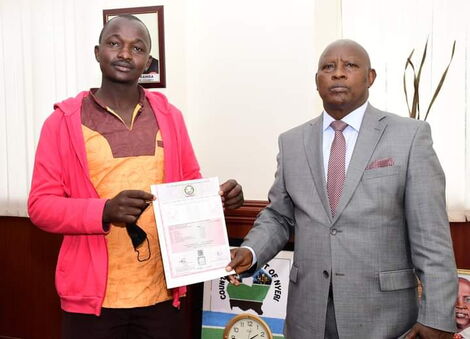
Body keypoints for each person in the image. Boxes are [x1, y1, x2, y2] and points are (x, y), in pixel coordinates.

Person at [28, 15, 243, 339]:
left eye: (137, 48)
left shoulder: (170, 117)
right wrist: (104, 211)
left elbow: (188, 187)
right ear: (98, 52)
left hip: (162, 294)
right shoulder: (62, 123)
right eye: (115, 44)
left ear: (147, 62)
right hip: (92, 303)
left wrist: (219, 199)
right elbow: (41, 206)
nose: (125, 54)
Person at [226, 39, 457, 339]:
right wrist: (251, 250)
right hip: (309, 317)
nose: (338, 73)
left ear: (370, 77)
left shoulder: (409, 137)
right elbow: (279, 216)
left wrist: (437, 317)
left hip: (385, 319)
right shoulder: (292, 142)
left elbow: (432, 235)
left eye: (350, 65)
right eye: (328, 67)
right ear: (316, 81)